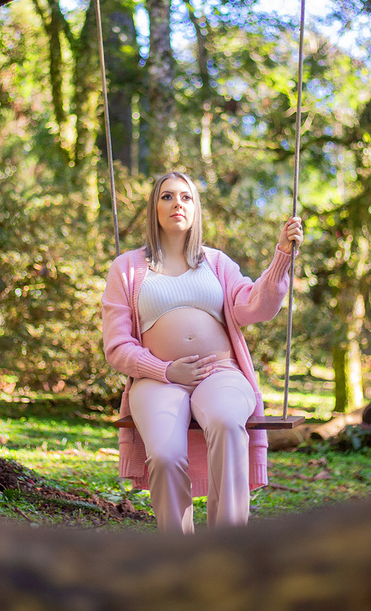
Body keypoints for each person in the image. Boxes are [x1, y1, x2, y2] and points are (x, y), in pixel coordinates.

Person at [101, 171, 303, 533]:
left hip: (221, 374)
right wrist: (165, 370)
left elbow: (256, 306)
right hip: (158, 379)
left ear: (195, 209)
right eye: (167, 196)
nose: (177, 203)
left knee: (227, 424)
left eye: (186, 197)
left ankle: (226, 549)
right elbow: (117, 347)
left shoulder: (217, 263)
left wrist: (282, 257)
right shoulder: (128, 268)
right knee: (163, 455)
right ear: (154, 208)